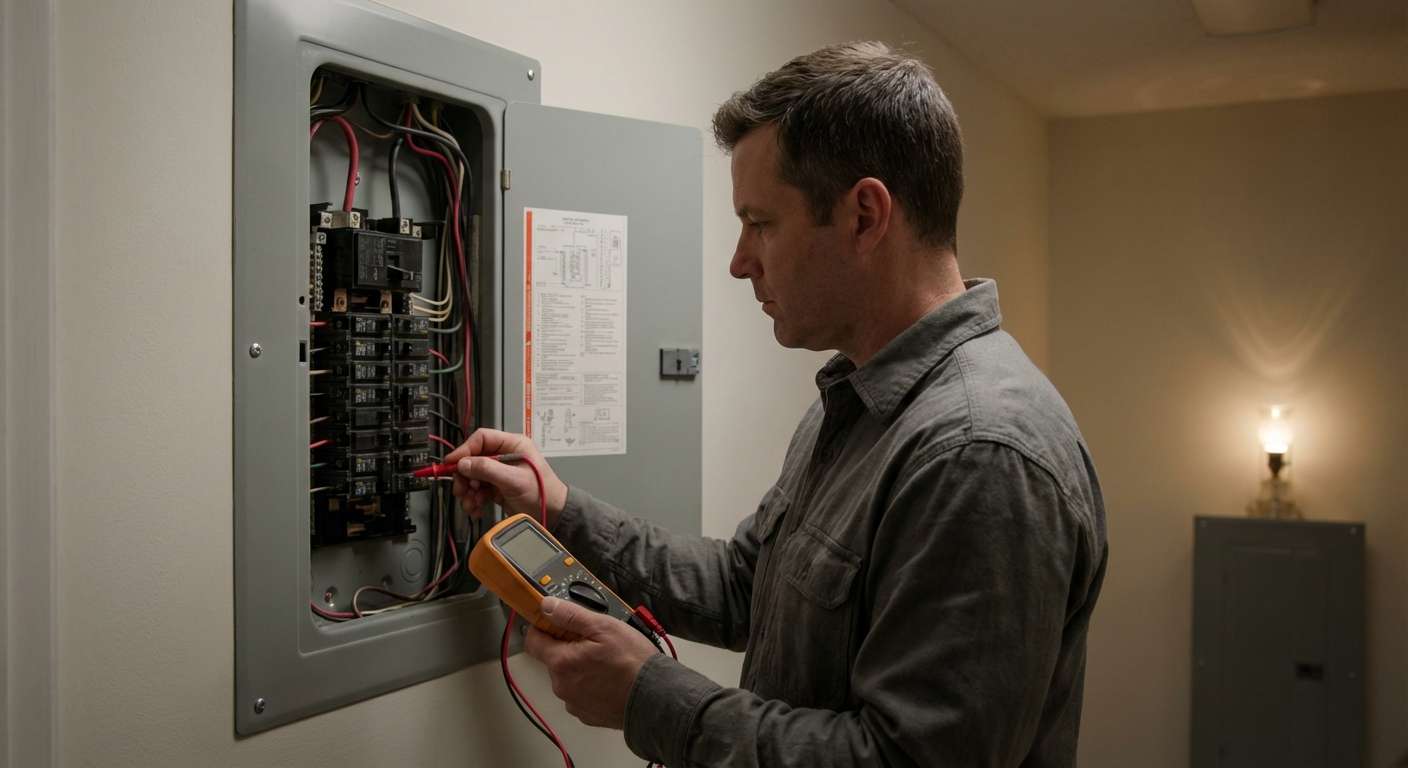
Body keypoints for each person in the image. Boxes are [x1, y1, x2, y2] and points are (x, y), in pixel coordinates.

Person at [447, 40, 1107, 768]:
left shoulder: (979, 453)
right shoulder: (856, 398)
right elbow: (743, 587)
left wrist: (648, 697)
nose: (739, 262)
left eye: (760, 223)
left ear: (864, 216)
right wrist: (558, 506)